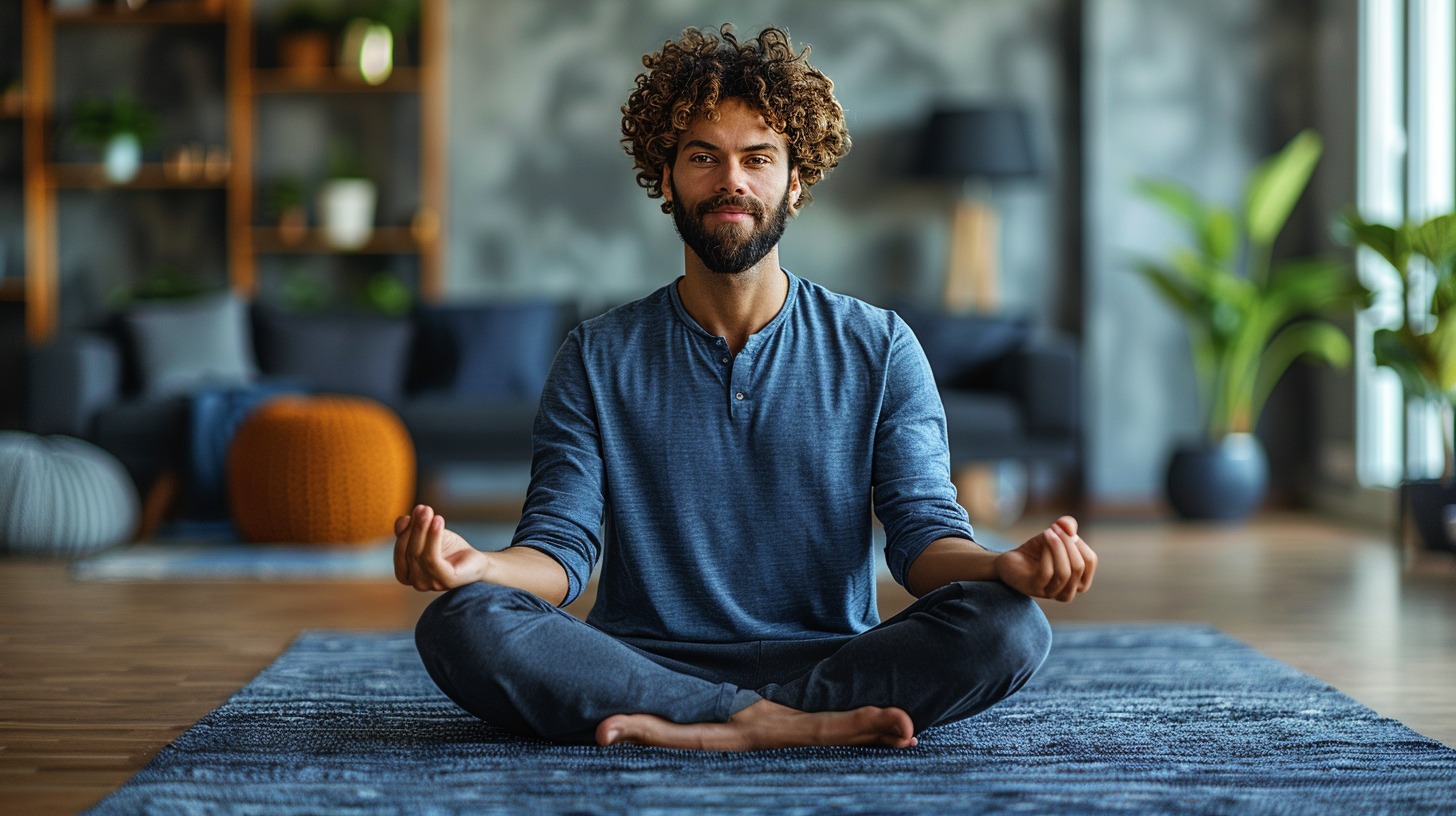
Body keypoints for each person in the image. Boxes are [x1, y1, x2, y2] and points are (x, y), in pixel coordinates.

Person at [395, 24, 1096, 752]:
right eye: (704, 157)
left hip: (831, 658)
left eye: (757, 158)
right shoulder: (597, 354)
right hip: (641, 663)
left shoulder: (881, 347)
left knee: (1010, 624)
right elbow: (560, 550)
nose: (732, 179)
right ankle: (777, 723)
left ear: (794, 182)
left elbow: (923, 540)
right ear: (665, 180)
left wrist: (1001, 564)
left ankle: (713, 723)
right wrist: (477, 566)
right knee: (464, 620)